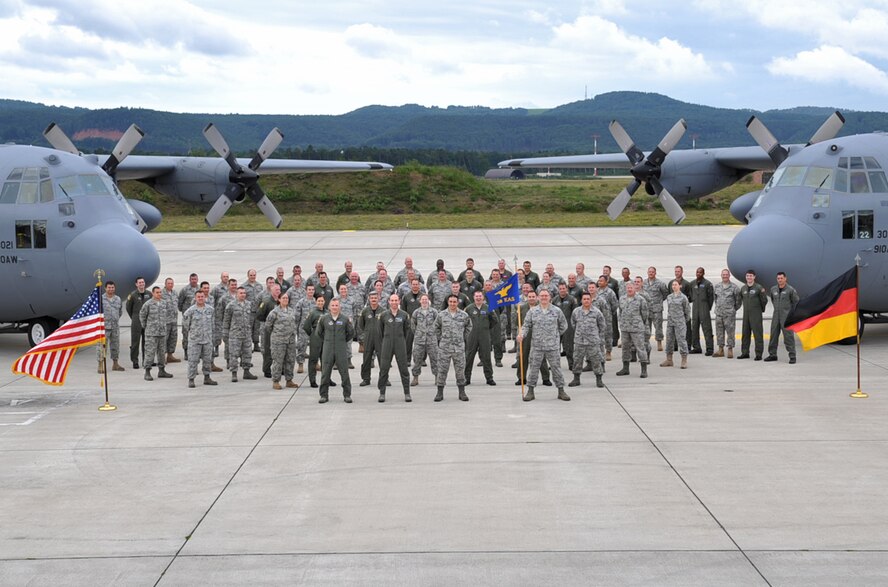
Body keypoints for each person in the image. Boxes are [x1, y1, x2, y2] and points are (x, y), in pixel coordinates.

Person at [517, 289, 569, 401]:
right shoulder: (532, 311)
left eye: (546, 295)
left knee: (556, 369)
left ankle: (561, 390)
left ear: (550, 297)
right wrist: (521, 335)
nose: (544, 298)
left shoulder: (557, 311)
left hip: (553, 346)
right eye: (542, 296)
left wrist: (554, 335)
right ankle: (530, 391)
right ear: (538, 298)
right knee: (534, 369)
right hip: (537, 346)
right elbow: (526, 325)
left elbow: (563, 325)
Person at [317, 299, 356, 403]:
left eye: (336, 305)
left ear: (340, 307)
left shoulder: (344, 319)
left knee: (344, 372)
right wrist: (327, 341)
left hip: (341, 349)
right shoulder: (324, 319)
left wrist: (341, 341)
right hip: (328, 349)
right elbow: (319, 333)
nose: (334, 307)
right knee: (325, 373)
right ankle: (324, 395)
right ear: (329, 307)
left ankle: (347, 395)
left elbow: (351, 333)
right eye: (333, 305)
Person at [435, 294, 472, 402]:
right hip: (444, 348)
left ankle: (462, 392)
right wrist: (441, 338)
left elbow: (469, 327)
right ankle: (439, 392)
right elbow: (436, 327)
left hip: (459, 348)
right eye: (450, 302)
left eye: (454, 302)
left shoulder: (464, 315)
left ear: (457, 302)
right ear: (448, 302)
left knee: (460, 371)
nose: (452, 304)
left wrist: (462, 337)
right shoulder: (441, 315)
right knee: (442, 370)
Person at [378, 293, 413, 402]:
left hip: (400, 344)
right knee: (384, 369)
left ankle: (407, 393)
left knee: (404, 369)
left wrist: (401, 340)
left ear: (399, 302)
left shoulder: (404, 315)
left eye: (396, 300)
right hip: (387, 344)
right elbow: (380, 331)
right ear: (389, 302)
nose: (394, 303)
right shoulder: (383, 315)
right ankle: (382, 393)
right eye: (392, 300)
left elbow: (408, 331)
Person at [514, 289, 551, 386]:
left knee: (541, 357)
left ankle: (546, 378)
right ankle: (521, 378)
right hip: (525, 336)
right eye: (529, 297)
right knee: (523, 356)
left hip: (539, 336)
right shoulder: (521, 308)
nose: (531, 298)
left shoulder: (541, 307)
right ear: (527, 298)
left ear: (537, 297)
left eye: (533, 297)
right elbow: (517, 322)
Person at [570, 292, 606, 388]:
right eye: (584, 299)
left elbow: (602, 326)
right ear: (581, 300)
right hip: (579, 341)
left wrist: (598, 337)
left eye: (588, 299)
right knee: (577, 360)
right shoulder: (576, 312)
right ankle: (576, 378)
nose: (586, 300)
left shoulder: (597, 312)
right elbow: (573, 324)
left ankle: (599, 379)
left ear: (591, 300)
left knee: (596, 360)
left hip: (593, 341)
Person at [182, 290, 217, 387]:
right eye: (199, 297)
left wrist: (211, 338)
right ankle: (191, 379)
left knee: (207, 360)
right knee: (193, 361)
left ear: (205, 298)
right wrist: (194, 334)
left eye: (202, 297)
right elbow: (186, 326)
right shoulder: (190, 311)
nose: (201, 298)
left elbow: (213, 325)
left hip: (207, 340)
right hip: (195, 341)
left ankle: (207, 377)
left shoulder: (210, 310)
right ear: (195, 298)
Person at [223, 287, 258, 381]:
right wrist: (225, 333)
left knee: (247, 354)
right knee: (234, 355)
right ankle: (234, 373)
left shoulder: (249, 304)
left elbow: (252, 319)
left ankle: (246, 372)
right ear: (237, 294)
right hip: (235, 335)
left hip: (246, 334)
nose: (243, 295)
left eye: (244, 293)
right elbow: (226, 321)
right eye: (241, 293)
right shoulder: (231, 306)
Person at [266, 292, 300, 390]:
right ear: (279, 300)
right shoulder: (274, 312)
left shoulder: (291, 311)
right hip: (278, 341)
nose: (285, 300)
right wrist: (278, 334)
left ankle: (289, 380)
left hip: (290, 341)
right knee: (278, 361)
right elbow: (268, 326)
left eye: (287, 298)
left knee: (290, 360)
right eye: (283, 298)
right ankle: (276, 381)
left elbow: (295, 323)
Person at [616, 282, 649, 378]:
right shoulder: (622, 299)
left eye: (631, 288)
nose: (629, 289)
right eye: (628, 288)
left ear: (635, 288)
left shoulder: (640, 299)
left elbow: (644, 314)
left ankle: (644, 370)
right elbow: (620, 312)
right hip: (625, 328)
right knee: (625, 348)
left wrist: (639, 323)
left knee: (640, 348)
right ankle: (625, 368)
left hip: (637, 328)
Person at [766, 272, 800, 364]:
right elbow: (773, 300)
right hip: (776, 316)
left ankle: (792, 356)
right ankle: (772, 355)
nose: (780, 280)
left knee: (788, 337)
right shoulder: (773, 289)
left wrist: (791, 315)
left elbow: (796, 303)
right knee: (773, 336)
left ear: (785, 279)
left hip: (786, 318)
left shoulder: (790, 290)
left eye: (781, 278)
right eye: (778, 278)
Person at [140, 286, 172, 381]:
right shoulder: (148, 304)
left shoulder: (164, 303)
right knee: (150, 353)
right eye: (157, 292)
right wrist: (146, 327)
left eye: (160, 292)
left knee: (162, 353)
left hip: (162, 332)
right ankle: (147, 372)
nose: (159, 294)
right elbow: (142, 316)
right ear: (153, 293)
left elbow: (167, 315)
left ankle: (161, 371)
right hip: (151, 333)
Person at [464, 291, 496, 386]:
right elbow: (464, 321)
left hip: (484, 336)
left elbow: (494, 320)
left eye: (480, 296)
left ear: (483, 297)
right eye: (476, 296)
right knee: (469, 357)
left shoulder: (488, 308)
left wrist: (485, 328)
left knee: (486, 357)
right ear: (473, 297)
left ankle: (489, 378)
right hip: (471, 336)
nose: (478, 298)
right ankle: (466, 378)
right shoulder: (469, 309)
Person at [737, 270, 768, 360]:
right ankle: (745, 352)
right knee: (745, 334)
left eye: (751, 276)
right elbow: (740, 300)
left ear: (754, 277)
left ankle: (758, 354)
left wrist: (760, 310)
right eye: (747, 276)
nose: (749, 277)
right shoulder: (743, 288)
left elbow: (764, 300)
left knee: (757, 334)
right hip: (746, 315)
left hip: (756, 315)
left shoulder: (759, 288)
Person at [410, 294, 438, 386]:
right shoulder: (416, 312)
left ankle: (437, 378)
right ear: (420, 301)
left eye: (426, 299)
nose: (424, 301)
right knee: (417, 359)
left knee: (435, 359)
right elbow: (413, 325)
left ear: (428, 301)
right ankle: (415, 378)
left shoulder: (434, 312)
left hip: (432, 340)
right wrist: (419, 333)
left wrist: (433, 334)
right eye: (423, 299)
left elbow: (438, 325)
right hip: (419, 340)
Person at [661, 280, 690, 368]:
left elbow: (687, 310)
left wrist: (683, 320)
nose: (674, 286)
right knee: (669, 341)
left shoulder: (683, 297)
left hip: (680, 322)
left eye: (675, 285)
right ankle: (669, 360)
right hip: (670, 322)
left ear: (679, 286)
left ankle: (684, 360)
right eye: (673, 285)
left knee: (681, 341)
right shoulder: (669, 297)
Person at [712, 269, 741, 358]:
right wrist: (719, 308)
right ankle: (720, 349)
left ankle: (730, 349)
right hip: (719, 314)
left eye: (726, 274)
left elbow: (738, 302)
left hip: (729, 314)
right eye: (723, 274)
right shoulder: (717, 286)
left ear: (729, 276)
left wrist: (732, 310)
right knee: (719, 332)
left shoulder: (734, 287)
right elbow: (715, 299)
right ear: (721, 275)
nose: (725, 276)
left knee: (730, 332)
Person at [97, 281, 125, 373]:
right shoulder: (101, 299)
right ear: (105, 288)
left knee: (115, 346)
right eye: (109, 287)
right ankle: (100, 365)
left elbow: (120, 312)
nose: (111, 289)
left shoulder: (118, 299)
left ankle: (115, 364)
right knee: (102, 346)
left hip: (115, 327)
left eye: (112, 287)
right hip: (104, 327)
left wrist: (114, 319)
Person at [358, 292, 384, 387]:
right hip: (368, 338)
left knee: (382, 359)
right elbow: (361, 325)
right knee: (366, 358)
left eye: (375, 297)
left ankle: (384, 378)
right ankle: (366, 379)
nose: (373, 299)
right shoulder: (365, 311)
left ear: (378, 298)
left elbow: (386, 325)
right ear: (369, 299)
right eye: (372, 298)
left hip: (380, 338)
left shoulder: (383, 311)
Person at [257, 283, 281, 378]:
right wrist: (268, 322)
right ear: (271, 291)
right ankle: (267, 370)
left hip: (279, 330)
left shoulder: (281, 301)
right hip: (269, 330)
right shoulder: (266, 302)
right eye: (276, 290)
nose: (278, 292)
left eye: (279, 290)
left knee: (279, 350)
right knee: (268, 350)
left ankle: (280, 369)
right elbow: (259, 315)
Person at [125, 276, 150, 369]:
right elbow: (128, 308)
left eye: (143, 282)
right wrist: (134, 317)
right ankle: (135, 361)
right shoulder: (132, 295)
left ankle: (146, 360)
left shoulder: (149, 294)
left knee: (146, 342)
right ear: (136, 284)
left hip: (147, 321)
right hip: (136, 321)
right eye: (139, 283)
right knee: (135, 342)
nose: (141, 284)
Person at [303, 295, 328, 388]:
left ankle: (326, 379)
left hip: (325, 337)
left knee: (326, 359)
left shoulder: (327, 312)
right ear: (316, 302)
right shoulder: (312, 313)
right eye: (319, 301)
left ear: (324, 302)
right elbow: (306, 326)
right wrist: (313, 335)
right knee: (314, 359)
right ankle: (312, 380)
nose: (320, 303)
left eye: (322, 301)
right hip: (316, 337)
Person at [689, 267, 714, 355]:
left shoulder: (708, 284)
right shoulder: (692, 283)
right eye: (697, 272)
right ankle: (696, 347)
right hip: (695, 308)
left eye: (700, 272)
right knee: (694, 328)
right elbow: (690, 296)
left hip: (704, 308)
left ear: (703, 273)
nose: (698, 274)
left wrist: (708, 308)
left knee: (707, 329)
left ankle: (710, 349)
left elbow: (711, 298)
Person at [643, 267, 669, 352]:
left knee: (658, 327)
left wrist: (659, 301)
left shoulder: (660, 283)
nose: (651, 273)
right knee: (646, 327)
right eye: (649, 272)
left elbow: (665, 293)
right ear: (647, 272)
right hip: (647, 309)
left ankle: (659, 342)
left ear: (655, 273)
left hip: (657, 309)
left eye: (652, 272)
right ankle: (646, 342)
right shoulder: (644, 283)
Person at [554, 282, 577, 369]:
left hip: (568, 325)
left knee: (569, 346)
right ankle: (555, 365)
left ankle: (571, 364)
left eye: (564, 288)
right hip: (557, 325)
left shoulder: (572, 299)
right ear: (558, 289)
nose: (562, 290)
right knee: (556, 346)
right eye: (560, 289)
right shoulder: (555, 300)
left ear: (566, 289)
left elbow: (575, 313)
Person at [177, 273, 199, 356]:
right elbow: (180, 303)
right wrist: (184, 312)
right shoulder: (184, 290)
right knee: (186, 334)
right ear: (190, 280)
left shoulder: (200, 289)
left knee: (197, 335)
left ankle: (197, 352)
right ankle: (186, 351)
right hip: (187, 317)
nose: (194, 281)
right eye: (192, 279)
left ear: (197, 280)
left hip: (197, 317)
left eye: (195, 279)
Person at [242, 269, 264, 353]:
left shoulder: (259, 286)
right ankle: (248, 346)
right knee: (249, 328)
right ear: (248, 276)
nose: (252, 277)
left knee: (257, 328)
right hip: (249, 311)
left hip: (257, 310)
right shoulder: (244, 286)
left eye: (254, 275)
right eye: (251, 275)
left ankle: (256, 344)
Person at [161, 277, 181, 364]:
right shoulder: (161, 293)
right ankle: (162, 356)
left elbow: (179, 304)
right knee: (164, 339)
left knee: (173, 338)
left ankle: (170, 355)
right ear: (165, 284)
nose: (170, 285)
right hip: (165, 321)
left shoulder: (175, 293)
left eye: (172, 283)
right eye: (168, 283)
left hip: (174, 320)